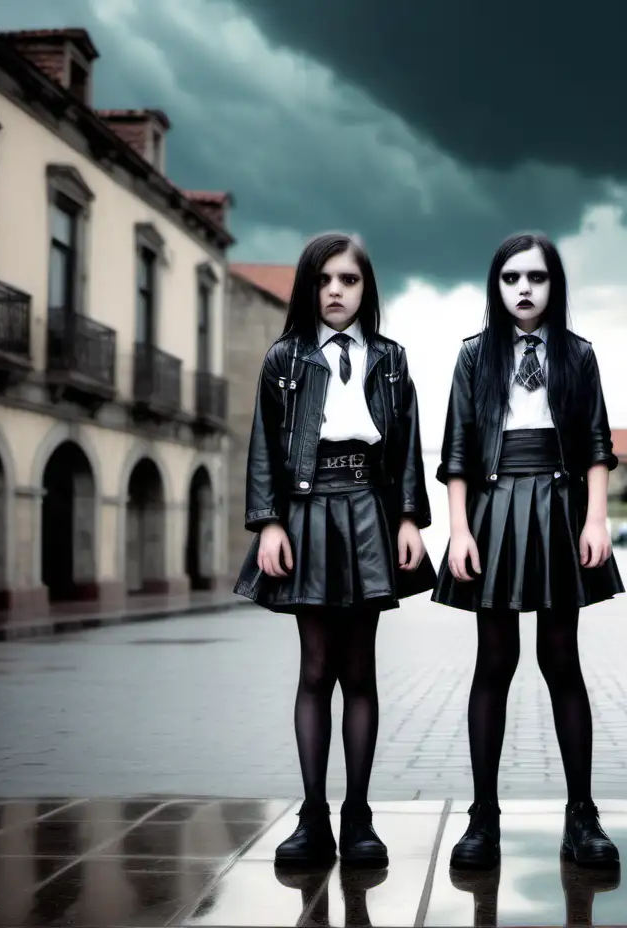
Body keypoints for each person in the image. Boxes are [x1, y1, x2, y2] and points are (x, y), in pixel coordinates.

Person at [234, 232, 436, 870]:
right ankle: (312, 816)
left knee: (360, 671)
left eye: (348, 280)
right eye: (324, 281)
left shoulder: (392, 359)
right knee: (315, 670)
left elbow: (406, 445)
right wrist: (269, 523)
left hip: (369, 509)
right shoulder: (284, 359)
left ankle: (359, 817)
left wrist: (409, 518)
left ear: (365, 288)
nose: (336, 292)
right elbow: (264, 445)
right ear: (307, 288)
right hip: (306, 509)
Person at [433, 232, 624, 872]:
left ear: (553, 285)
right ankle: (482, 817)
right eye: (511, 277)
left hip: (561, 507)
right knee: (495, 661)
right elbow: (457, 450)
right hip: (492, 507)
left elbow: (598, 443)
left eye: (536, 278)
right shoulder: (473, 356)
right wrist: (459, 530)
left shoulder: (578, 355)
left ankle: (583, 815)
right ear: (496, 286)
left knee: (561, 659)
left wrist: (595, 519)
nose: (523, 288)